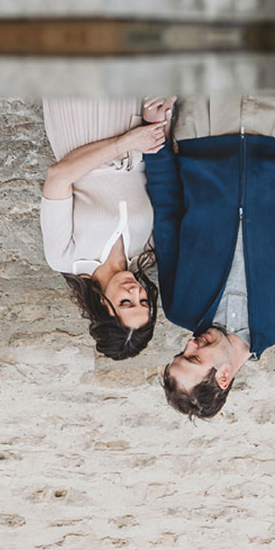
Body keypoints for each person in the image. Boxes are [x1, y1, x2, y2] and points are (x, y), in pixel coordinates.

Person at [146, 92, 275, 418]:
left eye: (182, 352)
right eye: (194, 358)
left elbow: (168, 216)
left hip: (203, 129)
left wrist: (157, 149)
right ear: (223, 376)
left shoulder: (179, 307)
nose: (190, 344)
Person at [42, 98, 171, 359]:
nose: (135, 291)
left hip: (81, 125)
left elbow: (58, 176)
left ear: (103, 305)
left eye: (126, 303)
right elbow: (160, 174)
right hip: (132, 117)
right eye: (143, 301)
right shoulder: (148, 251)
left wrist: (124, 143)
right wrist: (157, 123)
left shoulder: (64, 257)